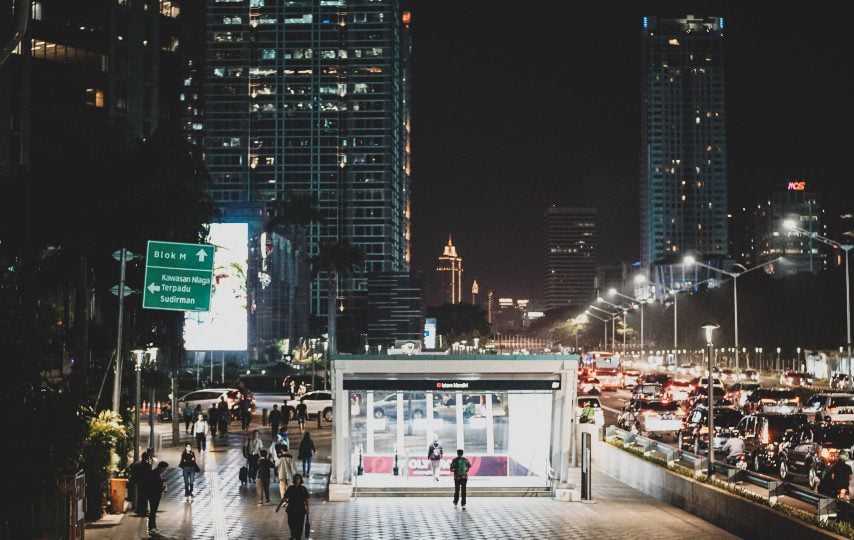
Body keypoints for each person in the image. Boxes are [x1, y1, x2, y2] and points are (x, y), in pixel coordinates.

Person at [276, 474, 310, 540]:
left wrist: (308, 509)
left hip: (300, 509)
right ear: (293, 480)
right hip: (291, 509)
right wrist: (279, 506)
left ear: (300, 480)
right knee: (290, 522)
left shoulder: (303, 489)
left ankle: (298, 537)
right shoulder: (290, 488)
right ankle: (293, 534)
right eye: (295, 479)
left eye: (298, 479)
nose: (296, 480)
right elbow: (285, 498)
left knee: (300, 524)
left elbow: (307, 499)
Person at [145, 461, 169, 536]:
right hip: (154, 496)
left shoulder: (155, 472)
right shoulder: (155, 473)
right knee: (153, 512)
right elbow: (155, 485)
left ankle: (153, 527)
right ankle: (152, 527)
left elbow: (155, 481)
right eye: (164, 468)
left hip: (152, 495)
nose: (164, 470)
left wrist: (162, 480)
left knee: (153, 511)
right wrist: (163, 488)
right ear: (161, 467)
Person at [130, 452, 152, 517]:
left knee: (140, 496)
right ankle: (144, 510)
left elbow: (133, 472)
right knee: (145, 497)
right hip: (146, 483)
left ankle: (139, 510)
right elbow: (149, 474)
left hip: (139, 482)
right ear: (147, 457)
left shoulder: (137, 464)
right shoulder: (148, 465)